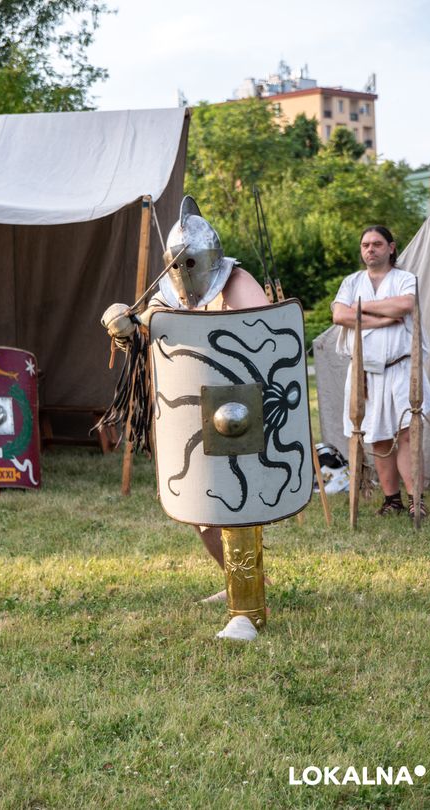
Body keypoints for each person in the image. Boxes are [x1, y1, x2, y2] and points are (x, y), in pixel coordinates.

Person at [102, 196, 271, 625]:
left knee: (240, 503)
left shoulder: (238, 283)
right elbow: (148, 334)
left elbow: (262, 337)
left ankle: (250, 588)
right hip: (189, 413)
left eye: (190, 263)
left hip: (238, 413)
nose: (184, 272)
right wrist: (124, 327)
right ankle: (235, 578)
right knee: (199, 508)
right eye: (178, 265)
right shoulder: (167, 293)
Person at [331, 225, 430, 518]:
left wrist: (361, 309)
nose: (370, 249)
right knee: (377, 437)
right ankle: (392, 500)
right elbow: (339, 314)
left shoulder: (405, 279)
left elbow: (405, 304)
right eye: (365, 245)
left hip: (402, 369)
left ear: (391, 248)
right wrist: (380, 319)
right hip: (365, 373)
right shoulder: (352, 282)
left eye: (377, 244)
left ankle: (416, 499)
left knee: (407, 434)